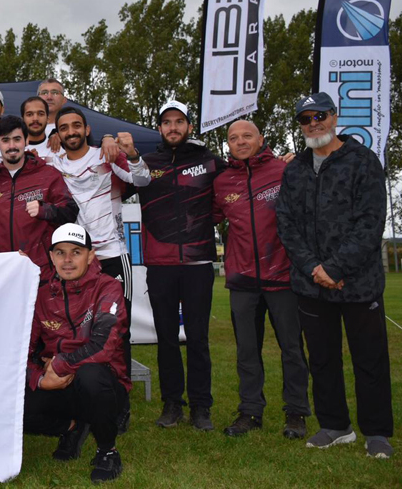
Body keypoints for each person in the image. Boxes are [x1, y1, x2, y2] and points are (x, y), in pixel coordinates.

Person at [275, 92, 392, 458]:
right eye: (305, 118)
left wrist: (337, 268)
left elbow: (371, 222)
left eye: (320, 115)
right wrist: (314, 268)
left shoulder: (362, 160)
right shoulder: (294, 169)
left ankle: (376, 432)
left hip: (358, 283)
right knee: (322, 358)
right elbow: (286, 223)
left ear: (334, 116)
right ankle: (335, 425)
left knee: (369, 359)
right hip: (311, 284)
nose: (314, 123)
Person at [51, 106, 150, 433]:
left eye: (75, 125)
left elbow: (141, 179)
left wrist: (127, 151)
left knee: (116, 332)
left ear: (86, 128)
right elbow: (7, 149)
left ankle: (120, 405)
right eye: (63, 127)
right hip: (76, 262)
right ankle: (84, 402)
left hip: (111, 255)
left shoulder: (105, 154)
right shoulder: (53, 161)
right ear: (58, 133)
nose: (70, 132)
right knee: (77, 334)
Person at [213, 119, 310, 439]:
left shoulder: (284, 171)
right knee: (246, 351)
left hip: (282, 277)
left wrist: (301, 160)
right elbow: (204, 217)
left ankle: (296, 412)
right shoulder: (223, 181)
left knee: (292, 349)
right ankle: (250, 411)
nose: (240, 142)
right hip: (242, 281)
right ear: (227, 144)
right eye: (233, 138)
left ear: (261, 139)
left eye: (247, 136)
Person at [138, 100, 226, 431]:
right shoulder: (147, 164)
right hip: (159, 264)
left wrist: (202, 225)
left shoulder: (208, 161)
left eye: (179, 122)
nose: (173, 127)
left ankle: (201, 407)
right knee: (166, 338)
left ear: (189, 126)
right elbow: (113, 183)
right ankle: (172, 404)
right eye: (167, 122)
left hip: (198, 261)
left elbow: (231, 190)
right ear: (159, 127)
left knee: (199, 338)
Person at [24, 223, 129, 483]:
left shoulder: (109, 288)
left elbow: (103, 346)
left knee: (90, 374)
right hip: (59, 384)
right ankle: (72, 427)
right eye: (60, 252)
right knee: (13, 401)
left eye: (76, 252)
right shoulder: (40, 296)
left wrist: (60, 364)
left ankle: (107, 451)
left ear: (91, 255)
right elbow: (18, 350)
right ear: (51, 257)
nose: (67, 260)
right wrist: (39, 378)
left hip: (104, 385)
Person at [0, 115, 78, 281]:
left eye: (17, 139)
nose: (12, 146)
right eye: (5, 140)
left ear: (26, 141)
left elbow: (71, 212)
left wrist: (45, 210)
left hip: (42, 273)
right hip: (3, 273)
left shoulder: (48, 175)